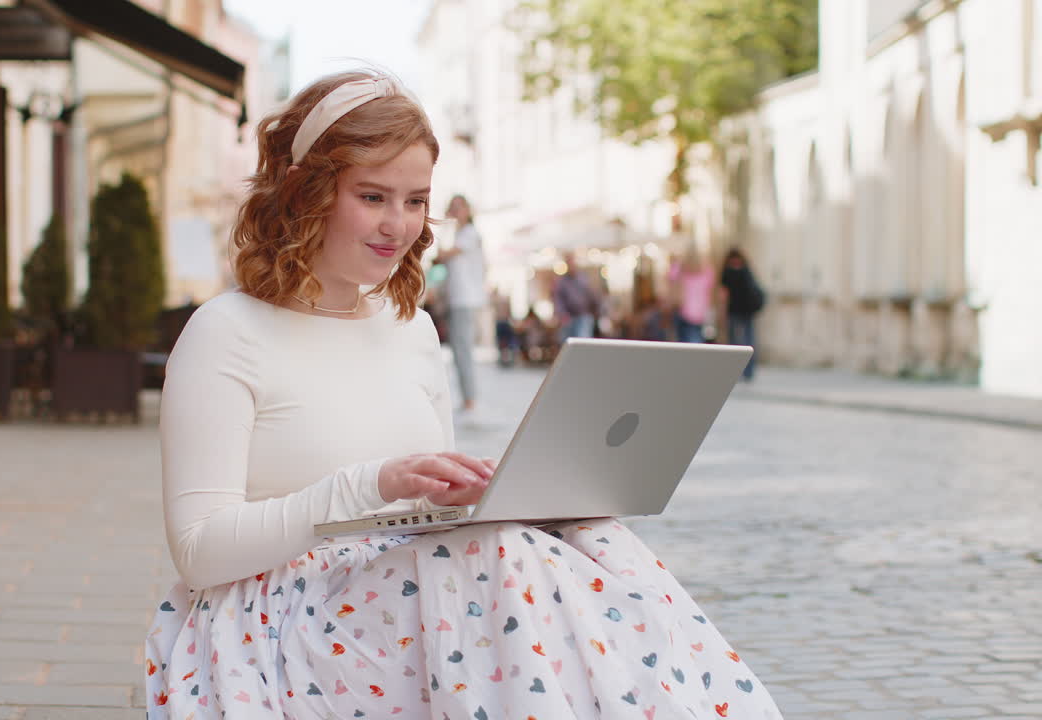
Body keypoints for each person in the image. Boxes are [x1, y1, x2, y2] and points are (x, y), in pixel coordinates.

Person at [145, 70, 783, 720]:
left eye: (415, 201)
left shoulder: (412, 330)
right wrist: (370, 484)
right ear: (304, 192)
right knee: (502, 559)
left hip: (407, 606)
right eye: (372, 196)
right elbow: (199, 552)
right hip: (279, 620)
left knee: (592, 540)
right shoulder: (227, 332)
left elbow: (425, 517)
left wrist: (468, 494)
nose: (397, 225)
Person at [435, 194, 486, 412]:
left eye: (458, 207)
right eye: (452, 207)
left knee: (462, 349)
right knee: (458, 349)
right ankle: (467, 398)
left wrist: (445, 224)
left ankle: (470, 399)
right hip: (456, 299)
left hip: (465, 299)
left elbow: (442, 254)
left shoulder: (469, 233)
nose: (455, 211)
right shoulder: (460, 233)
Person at [719, 247, 765, 380]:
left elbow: (724, 295)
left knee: (735, 343)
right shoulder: (746, 270)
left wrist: (722, 313)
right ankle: (748, 371)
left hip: (734, 310)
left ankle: (736, 371)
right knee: (749, 341)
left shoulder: (727, 272)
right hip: (747, 310)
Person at [667, 246, 715, 344]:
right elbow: (710, 291)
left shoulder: (679, 268)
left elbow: (670, 279)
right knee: (695, 342)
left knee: (682, 342)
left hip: (681, 310)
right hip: (699, 312)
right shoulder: (707, 270)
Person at [552, 251, 599, 342]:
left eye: (572, 262)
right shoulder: (562, 282)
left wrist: (595, 311)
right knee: (567, 341)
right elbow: (558, 300)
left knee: (583, 340)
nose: (571, 265)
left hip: (584, 315)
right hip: (568, 317)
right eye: (569, 262)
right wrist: (562, 314)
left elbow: (592, 295)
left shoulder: (584, 278)